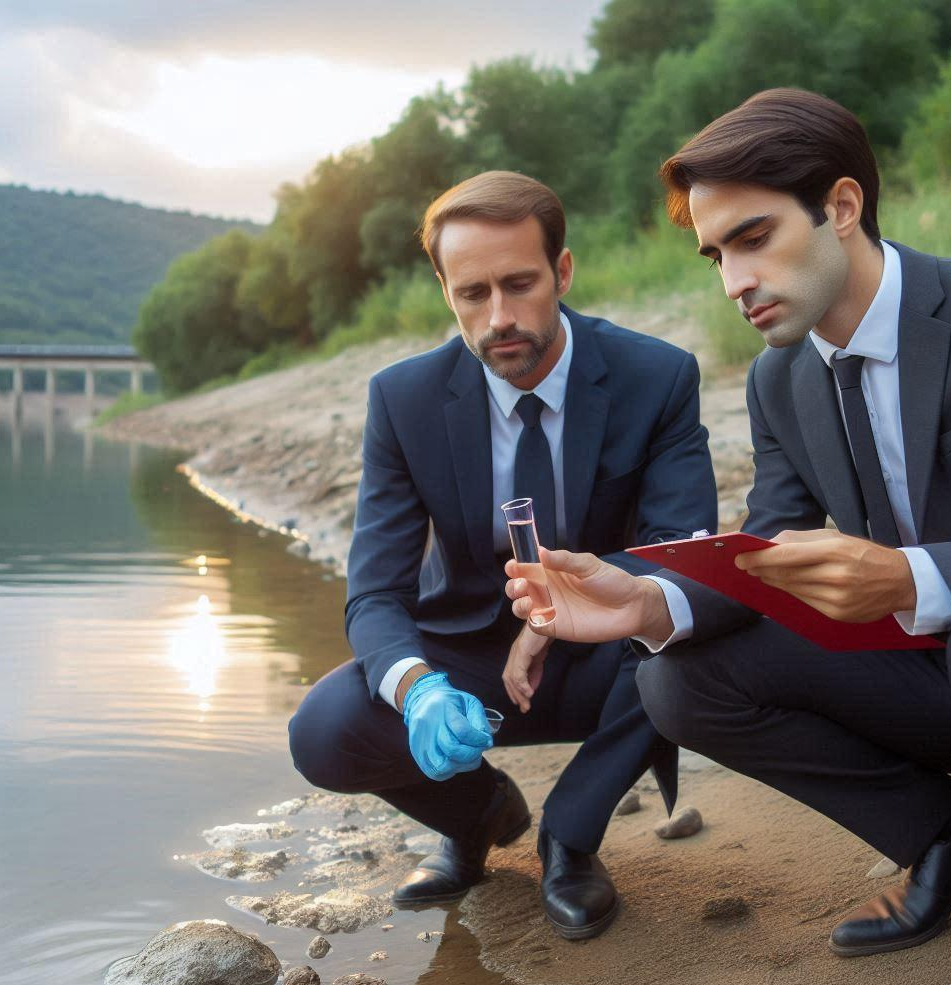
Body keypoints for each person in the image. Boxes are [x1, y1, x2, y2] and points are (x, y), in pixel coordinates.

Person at [505, 90, 951, 985]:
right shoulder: (783, 379)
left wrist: (920, 577)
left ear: (843, 206)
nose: (732, 280)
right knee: (678, 682)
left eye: (753, 237)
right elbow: (768, 547)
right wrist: (648, 606)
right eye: (714, 255)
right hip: (940, 682)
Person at [288, 170, 717, 940]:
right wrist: (417, 688)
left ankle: (570, 835)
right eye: (472, 295)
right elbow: (374, 591)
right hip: (473, 659)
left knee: (696, 644)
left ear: (563, 271)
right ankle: (478, 815)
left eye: (520, 284)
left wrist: (554, 615)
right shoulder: (403, 399)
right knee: (325, 727)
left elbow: (682, 553)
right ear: (446, 292)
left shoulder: (657, 377)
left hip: (609, 655)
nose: (500, 318)